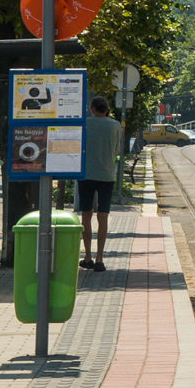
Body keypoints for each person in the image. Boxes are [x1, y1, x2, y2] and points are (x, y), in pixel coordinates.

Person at [78, 96, 122, 272]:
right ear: (107, 110)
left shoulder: (85, 124)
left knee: (86, 215)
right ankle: (99, 258)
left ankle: (87, 256)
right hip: (107, 174)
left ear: (92, 109)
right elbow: (117, 149)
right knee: (102, 216)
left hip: (86, 174)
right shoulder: (115, 125)